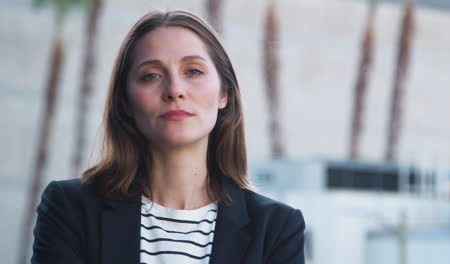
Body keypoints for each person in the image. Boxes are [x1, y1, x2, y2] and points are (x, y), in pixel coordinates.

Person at [31, 10, 305, 264]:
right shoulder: (70, 208)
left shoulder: (277, 227)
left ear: (225, 93)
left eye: (193, 71)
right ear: (125, 102)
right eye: (151, 75)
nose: (174, 90)